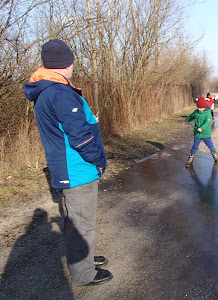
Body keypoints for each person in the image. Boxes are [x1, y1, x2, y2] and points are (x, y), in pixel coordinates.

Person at [24, 39, 112, 286]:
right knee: (81, 223)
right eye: (72, 62)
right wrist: (98, 161)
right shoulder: (60, 92)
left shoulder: (44, 90)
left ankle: (83, 259)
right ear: (66, 64)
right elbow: (80, 137)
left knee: (75, 219)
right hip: (78, 170)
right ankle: (84, 274)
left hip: (66, 168)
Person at [185, 97, 218, 167]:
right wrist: (187, 119)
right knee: (194, 147)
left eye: (201, 108)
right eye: (198, 108)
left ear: (204, 107)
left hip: (206, 134)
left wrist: (202, 128)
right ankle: (190, 160)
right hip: (197, 134)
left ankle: (215, 156)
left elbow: (207, 122)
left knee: (210, 146)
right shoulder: (196, 112)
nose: (199, 109)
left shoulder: (208, 113)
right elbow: (191, 116)